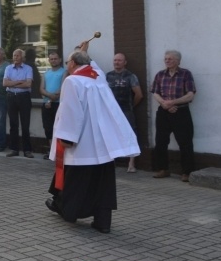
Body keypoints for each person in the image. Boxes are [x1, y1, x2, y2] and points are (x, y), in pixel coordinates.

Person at [45, 41, 140, 234]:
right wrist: (84, 52)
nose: (66, 65)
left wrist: (67, 138)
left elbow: (71, 112)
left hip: (82, 144)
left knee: (75, 181)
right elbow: (92, 65)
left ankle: (67, 211)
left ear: (72, 63)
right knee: (103, 183)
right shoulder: (98, 78)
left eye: (67, 62)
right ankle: (103, 221)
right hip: (101, 143)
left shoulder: (72, 82)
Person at [150, 50, 196, 182]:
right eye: (166, 59)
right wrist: (164, 103)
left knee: (185, 142)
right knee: (161, 141)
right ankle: (162, 169)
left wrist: (173, 102)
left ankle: (187, 172)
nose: (167, 61)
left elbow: (190, 94)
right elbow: (155, 92)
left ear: (178, 61)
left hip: (181, 112)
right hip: (163, 112)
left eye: (170, 59)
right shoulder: (160, 75)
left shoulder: (186, 74)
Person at [106, 53, 144, 172]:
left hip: (126, 110)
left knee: (130, 134)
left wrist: (131, 106)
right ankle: (110, 160)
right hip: (111, 111)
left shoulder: (130, 76)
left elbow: (139, 95)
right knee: (110, 134)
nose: (117, 62)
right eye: (115, 60)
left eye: (119, 60)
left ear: (125, 62)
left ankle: (131, 163)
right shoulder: (108, 76)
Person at [4, 49, 34, 158]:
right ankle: (14, 149)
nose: (15, 57)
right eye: (14, 55)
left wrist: (12, 84)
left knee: (25, 125)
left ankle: (27, 150)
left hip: (24, 97)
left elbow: (28, 84)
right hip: (11, 97)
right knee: (13, 124)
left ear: (22, 57)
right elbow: (4, 83)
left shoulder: (28, 68)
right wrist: (19, 82)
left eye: (17, 55)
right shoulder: (8, 68)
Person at [40, 52, 66, 159]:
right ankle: (51, 151)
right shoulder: (46, 74)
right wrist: (49, 97)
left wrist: (51, 98)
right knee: (48, 128)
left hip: (58, 104)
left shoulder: (64, 72)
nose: (53, 60)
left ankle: (59, 152)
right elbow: (41, 89)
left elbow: (63, 88)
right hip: (46, 104)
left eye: (56, 59)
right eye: (51, 59)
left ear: (60, 60)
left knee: (58, 128)